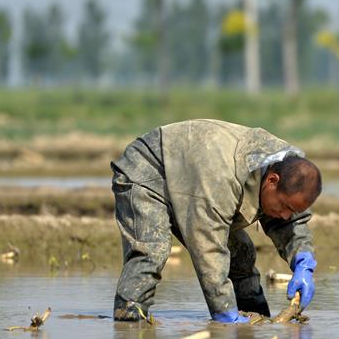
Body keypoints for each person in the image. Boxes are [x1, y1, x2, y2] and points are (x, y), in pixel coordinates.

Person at [110, 119, 320, 323]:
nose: (285, 215)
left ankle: (256, 315)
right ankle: (129, 317)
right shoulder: (222, 178)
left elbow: (292, 222)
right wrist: (224, 312)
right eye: (285, 207)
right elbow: (208, 248)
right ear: (272, 181)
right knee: (152, 250)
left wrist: (304, 263)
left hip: (193, 176)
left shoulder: (287, 165)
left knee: (241, 253)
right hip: (150, 169)